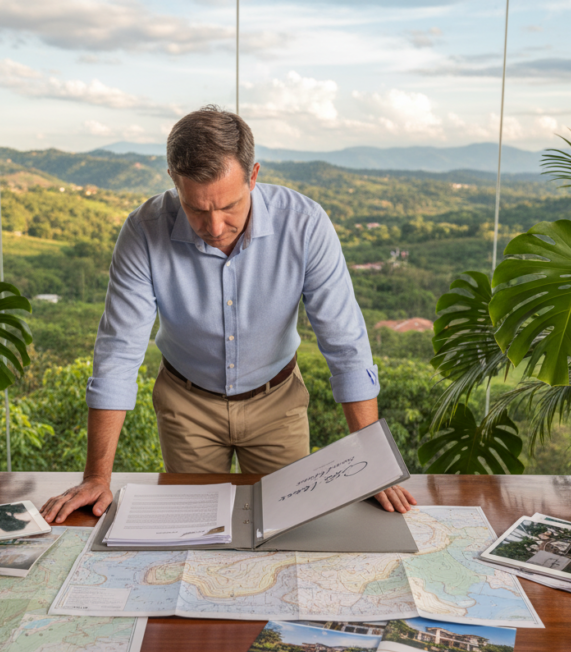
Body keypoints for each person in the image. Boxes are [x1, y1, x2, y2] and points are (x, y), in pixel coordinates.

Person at [41, 106, 416, 523]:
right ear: (174, 182)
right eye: (197, 209)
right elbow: (118, 355)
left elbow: (347, 347)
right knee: (194, 536)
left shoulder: (305, 224)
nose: (215, 226)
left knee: (287, 532)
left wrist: (372, 469)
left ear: (253, 176)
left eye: (229, 206)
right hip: (187, 406)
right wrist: (96, 477)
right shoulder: (144, 231)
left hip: (278, 402)